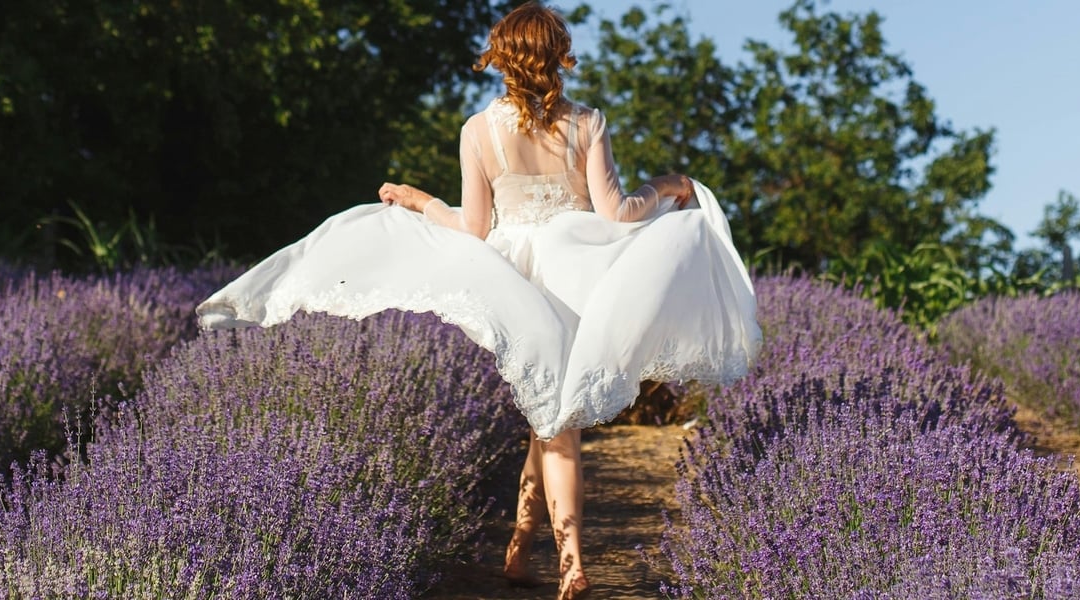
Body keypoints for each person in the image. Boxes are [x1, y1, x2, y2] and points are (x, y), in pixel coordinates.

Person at [198, 3, 761, 598]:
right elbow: (618, 213)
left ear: (501, 58)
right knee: (557, 421)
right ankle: (571, 565)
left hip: (515, 287)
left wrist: (421, 202)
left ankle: (520, 548)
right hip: (578, 278)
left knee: (550, 420)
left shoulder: (478, 130)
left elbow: (472, 228)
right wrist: (669, 186)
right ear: (559, 55)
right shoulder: (587, 123)